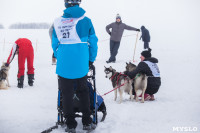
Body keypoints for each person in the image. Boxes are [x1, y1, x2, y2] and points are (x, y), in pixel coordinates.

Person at [51, 0, 98, 132]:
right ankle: (87, 122)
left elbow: (55, 44)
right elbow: (93, 42)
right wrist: (91, 59)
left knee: (66, 94)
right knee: (83, 92)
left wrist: (59, 55)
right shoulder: (87, 20)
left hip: (64, 64)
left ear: (66, 4)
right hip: (81, 64)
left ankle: (70, 124)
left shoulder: (57, 21)